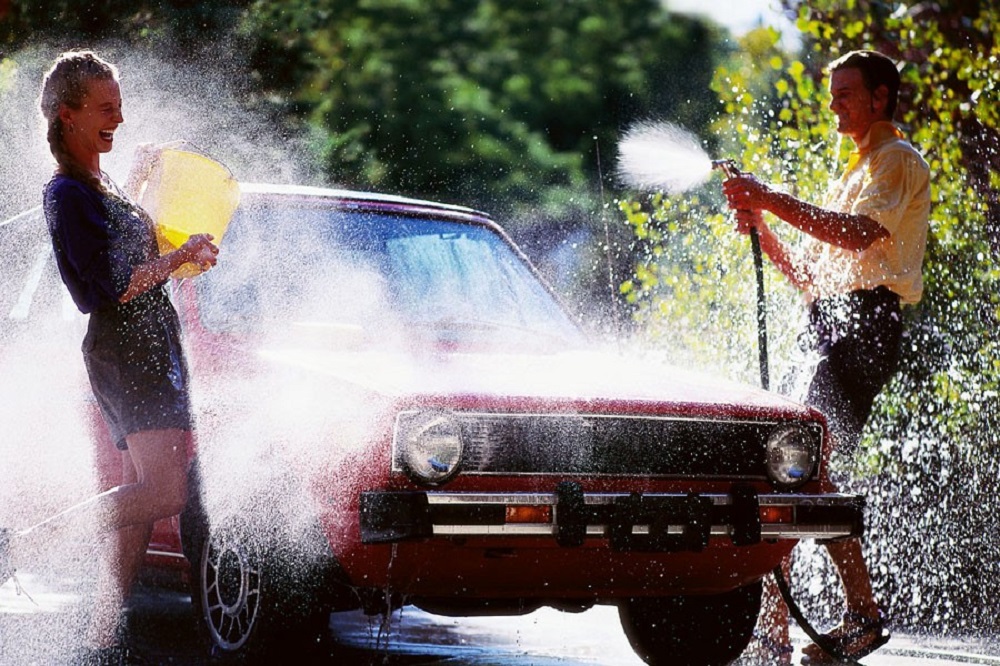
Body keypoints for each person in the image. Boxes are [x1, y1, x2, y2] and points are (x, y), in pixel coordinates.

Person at [0, 50, 218, 665]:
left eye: (119, 107)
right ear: (66, 116)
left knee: (136, 495)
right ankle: (22, 545)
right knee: (165, 492)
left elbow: (121, 246)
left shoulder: (100, 183)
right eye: (104, 108)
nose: (117, 119)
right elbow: (104, 287)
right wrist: (180, 258)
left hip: (147, 346)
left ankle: (103, 637)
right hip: (129, 351)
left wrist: (144, 181)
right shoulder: (66, 191)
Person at [723, 50, 930, 664]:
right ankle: (785, 625)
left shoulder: (897, 161)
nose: (833, 104)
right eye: (832, 93)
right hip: (832, 323)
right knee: (790, 470)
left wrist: (771, 196)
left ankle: (839, 618)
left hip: (863, 328)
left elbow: (854, 235)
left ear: (881, 99)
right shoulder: (859, 168)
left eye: (845, 94)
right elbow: (814, 276)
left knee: (798, 471)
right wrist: (764, 228)